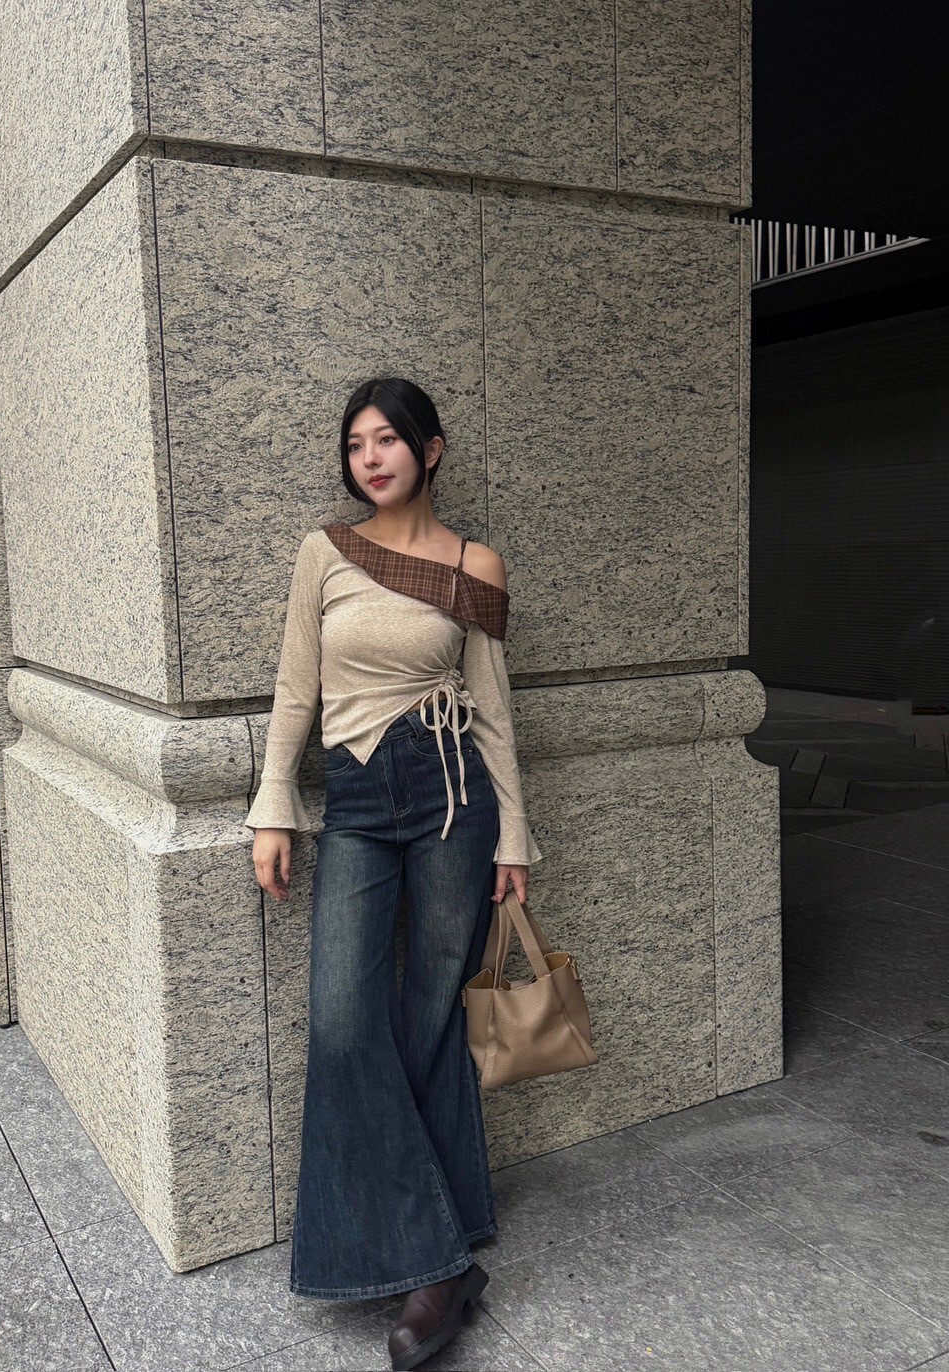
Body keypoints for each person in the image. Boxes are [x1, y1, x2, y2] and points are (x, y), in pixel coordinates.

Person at [245, 376, 542, 1371]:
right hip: (359, 800)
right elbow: (297, 684)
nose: (369, 458)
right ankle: (441, 1257)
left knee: (431, 1015)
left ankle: (432, 1264)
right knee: (342, 1020)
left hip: (456, 798)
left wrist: (515, 836)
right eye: (355, 444)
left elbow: (492, 704)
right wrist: (274, 804)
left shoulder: (472, 563)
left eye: (387, 440)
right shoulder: (323, 554)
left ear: (432, 448)